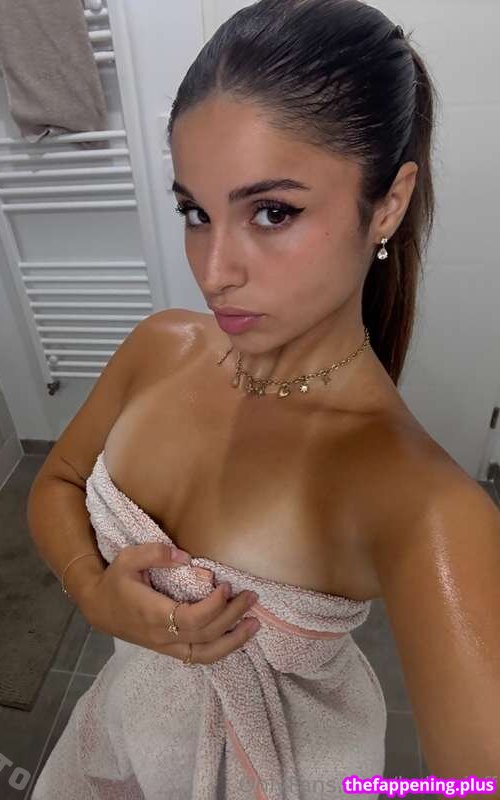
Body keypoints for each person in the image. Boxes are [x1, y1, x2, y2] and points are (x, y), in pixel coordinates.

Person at [27, 1, 500, 797]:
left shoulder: (422, 502)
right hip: (111, 746)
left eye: (272, 212)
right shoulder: (162, 347)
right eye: (195, 212)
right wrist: (95, 593)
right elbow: (58, 482)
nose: (214, 272)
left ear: (387, 204)